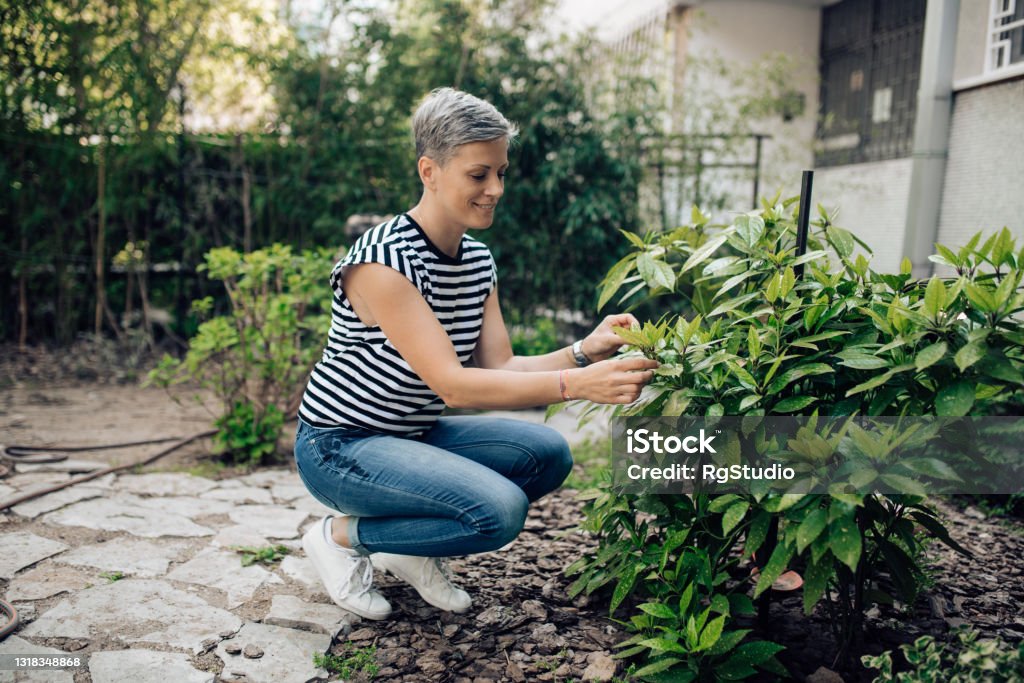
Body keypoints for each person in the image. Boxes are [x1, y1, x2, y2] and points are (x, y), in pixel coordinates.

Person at [294, 87, 658, 621]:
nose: (495, 189)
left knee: (546, 454)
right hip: (340, 446)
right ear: (430, 171)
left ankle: (410, 549)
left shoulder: (476, 260)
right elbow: (455, 385)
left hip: (410, 434)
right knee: (497, 512)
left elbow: (500, 368)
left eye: (501, 173)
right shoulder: (383, 261)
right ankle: (341, 537)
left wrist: (584, 351)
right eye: (478, 174)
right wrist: (576, 386)